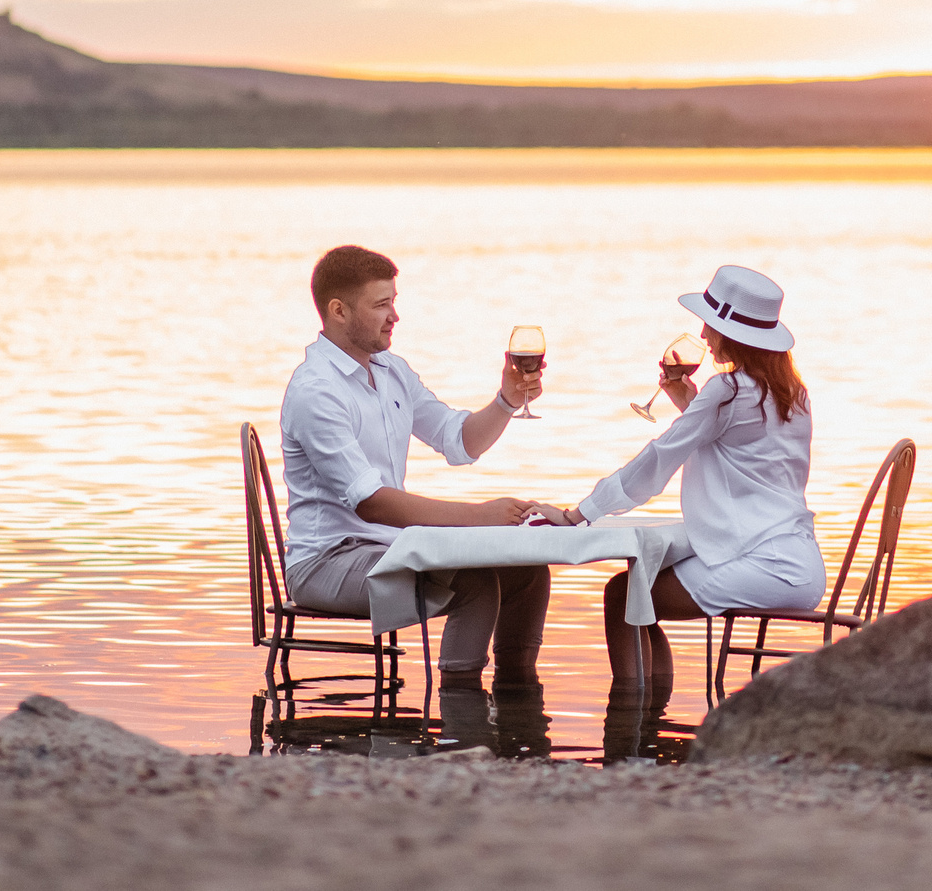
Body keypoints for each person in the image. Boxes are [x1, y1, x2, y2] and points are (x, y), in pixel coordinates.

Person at [277, 243, 567, 690]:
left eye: (394, 302)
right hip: (326, 563)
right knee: (473, 584)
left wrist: (507, 400)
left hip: (389, 548)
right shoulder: (316, 391)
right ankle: (461, 709)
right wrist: (480, 518)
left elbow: (459, 441)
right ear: (338, 310)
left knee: (526, 570)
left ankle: (517, 701)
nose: (395, 316)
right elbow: (372, 504)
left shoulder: (392, 371)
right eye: (381, 305)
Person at [574, 263, 825, 697]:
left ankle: (636, 721)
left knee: (624, 595)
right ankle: (653, 715)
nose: (704, 337)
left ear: (734, 334)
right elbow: (743, 449)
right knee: (637, 588)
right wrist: (692, 404)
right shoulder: (792, 392)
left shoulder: (726, 390)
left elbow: (659, 458)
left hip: (767, 566)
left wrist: (580, 513)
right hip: (800, 562)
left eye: (710, 326)